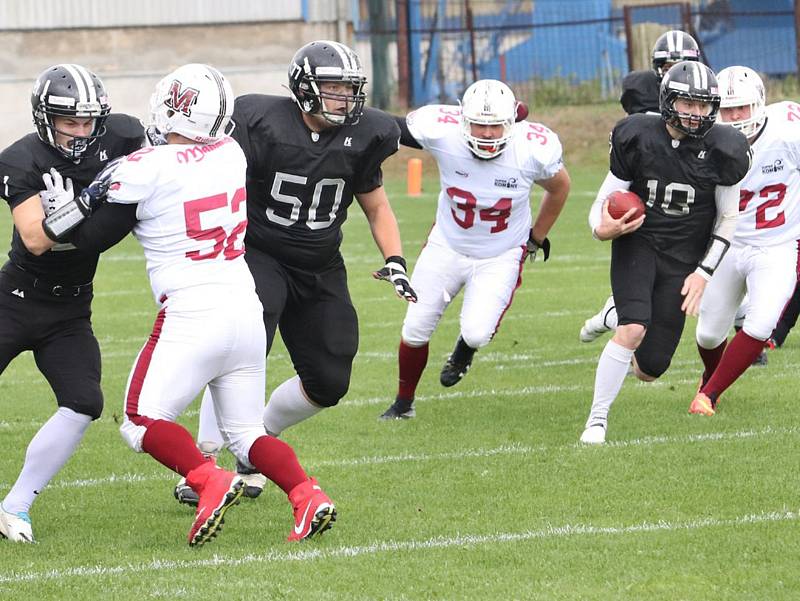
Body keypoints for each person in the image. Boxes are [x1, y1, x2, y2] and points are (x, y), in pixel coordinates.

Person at [40, 64, 337, 546]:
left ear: (171, 107)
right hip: (244, 306)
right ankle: (307, 495)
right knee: (244, 432)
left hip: (192, 312)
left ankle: (206, 478)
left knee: (139, 420)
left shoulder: (142, 169)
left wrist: (62, 212)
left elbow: (88, 236)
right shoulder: (231, 153)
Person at [171, 40, 415, 506]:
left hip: (321, 264)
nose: (344, 99)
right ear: (305, 88)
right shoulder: (260, 121)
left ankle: (257, 440)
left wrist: (396, 260)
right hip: (259, 253)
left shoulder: (369, 132)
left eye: (349, 89)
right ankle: (204, 464)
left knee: (330, 380)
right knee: (240, 349)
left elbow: (376, 203)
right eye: (333, 89)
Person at [0, 64, 144, 543]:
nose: (81, 132)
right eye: (70, 122)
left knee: (84, 402)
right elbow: (35, 239)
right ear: (46, 119)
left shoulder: (120, 136)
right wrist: (85, 204)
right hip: (16, 299)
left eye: (88, 122)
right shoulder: (19, 159)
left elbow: (158, 162)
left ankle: (15, 506)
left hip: (71, 309)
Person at [579, 61, 751, 444]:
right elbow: (605, 198)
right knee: (633, 328)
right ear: (667, 100)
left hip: (684, 259)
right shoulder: (638, 134)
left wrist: (703, 274)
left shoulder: (724, 149)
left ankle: (612, 314)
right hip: (638, 242)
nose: (695, 112)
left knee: (651, 369)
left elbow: (728, 219)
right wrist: (602, 229)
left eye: (703, 105)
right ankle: (596, 420)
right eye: (686, 103)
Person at [379, 79, 570, 419]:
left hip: (501, 253)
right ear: (462, 120)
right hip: (447, 245)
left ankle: (464, 350)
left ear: (512, 123)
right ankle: (403, 403)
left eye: (494, 125)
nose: (486, 133)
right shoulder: (442, 130)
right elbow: (386, 127)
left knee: (477, 332)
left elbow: (560, 188)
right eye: (479, 125)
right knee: (414, 329)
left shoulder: (532, 148)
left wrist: (536, 237)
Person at [690, 66, 800, 415]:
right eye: (728, 109)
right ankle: (710, 381)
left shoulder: (788, 133)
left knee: (762, 321)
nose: (735, 117)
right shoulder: (704, 141)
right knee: (708, 335)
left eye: (743, 108)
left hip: (778, 244)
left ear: (760, 105)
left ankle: (708, 396)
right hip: (729, 244)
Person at [620, 29, 701, 115]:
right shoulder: (641, 89)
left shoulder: (704, 89)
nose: (675, 74)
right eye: (668, 67)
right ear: (658, 68)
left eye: (682, 68)